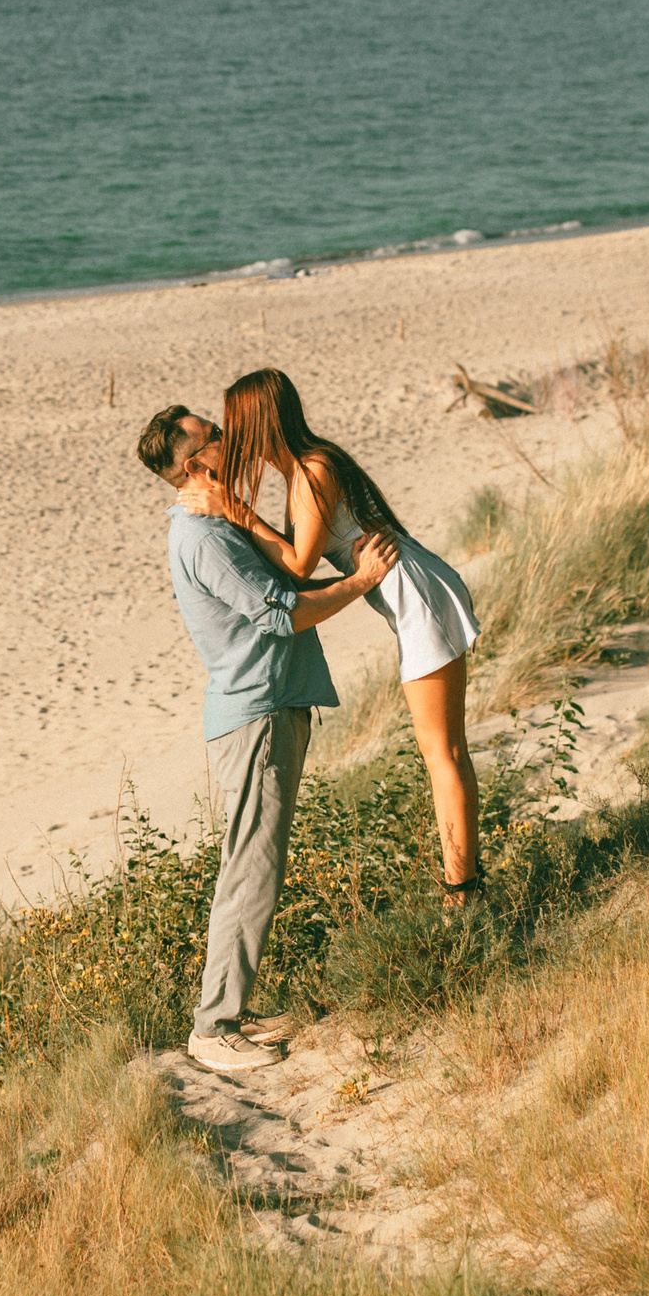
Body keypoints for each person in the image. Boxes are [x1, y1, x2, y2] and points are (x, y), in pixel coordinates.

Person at [138, 403, 398, 1073]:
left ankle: (233, 1009)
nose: (228, 436)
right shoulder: (203, 538)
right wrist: (362, 581)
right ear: (195, 464)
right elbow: (283, 612)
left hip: (273, 704)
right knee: (250, 870)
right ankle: (214, 1026)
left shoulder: (219, 520)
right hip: (253, 714)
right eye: (212, 435)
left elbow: (283, 578)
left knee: (255, 865)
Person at [181, 369, 484, 907]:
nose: (227, 438)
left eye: (230, 426)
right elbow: (303, 572)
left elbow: (296, 568)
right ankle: (464, 889)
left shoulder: (313, 470)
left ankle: (464, 895)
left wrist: (234, 511)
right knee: (443, 752)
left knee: (444, 752)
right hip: (413, 592)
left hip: (418, 596)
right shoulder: (305, 468)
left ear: (256, 422)